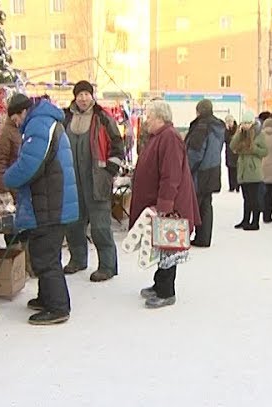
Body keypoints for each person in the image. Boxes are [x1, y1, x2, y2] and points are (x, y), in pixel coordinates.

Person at [3, 97, 79, 325]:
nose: (16, 123)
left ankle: (57, 307)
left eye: (15, 118)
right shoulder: (44, 122)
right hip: (50, 202)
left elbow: (30, 164)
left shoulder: (39, 124)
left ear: (23, 111)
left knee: (46, 257)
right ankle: (46, 297)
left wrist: (7, 178)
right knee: (42, 253)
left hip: (50, 204)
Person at [129, 100, 201, 309]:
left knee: (169, 246)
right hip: (161, 202)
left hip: (170, 205)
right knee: (161, 245)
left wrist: (165, 204)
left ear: (160, 117)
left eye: (149, 117)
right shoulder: (159, 136)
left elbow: (171, 175)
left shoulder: (168, 138)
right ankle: (159, 283)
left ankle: (166, 291)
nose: (146, 120)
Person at [61, 80, 125, 282]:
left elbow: (117, 144)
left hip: (97, 180)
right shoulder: (66, 118)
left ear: (92, 96)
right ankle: (78, 259)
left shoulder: (102, 117)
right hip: (72, 181)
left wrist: (110, 170)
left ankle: (107, 265)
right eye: (79, 94)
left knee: (100, 226)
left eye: (86, 94)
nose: (83, 98)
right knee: (74, 223)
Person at [0, 94, 35, 276]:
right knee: (14, 233)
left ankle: (27, 267)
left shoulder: (27, 129)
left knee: (27, 231)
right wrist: (3, 190)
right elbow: (0, 163)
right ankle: (15, 271)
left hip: (26, 190)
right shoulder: (6, 133)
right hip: (13, 190)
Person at [184, 99, 225, 248]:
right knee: (206, 205)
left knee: (193, 204)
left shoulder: (202, 126)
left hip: (199, 172)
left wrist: (187, 168)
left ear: (199, 111)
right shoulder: (218, 126)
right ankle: (204, 237)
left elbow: (195, 152)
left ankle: (184, 236)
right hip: (213, 170)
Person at [230, 110, 268, 231]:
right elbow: (232, 146)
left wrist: (253, 149)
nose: (245, 125)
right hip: (243, 169)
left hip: (254, 170)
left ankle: (255, 222)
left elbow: (264, 151)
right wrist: (238, 133)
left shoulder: (259, 134)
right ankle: (246, 220)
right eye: (243, 123)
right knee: (246, 198)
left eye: (247, 123)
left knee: (254, 198)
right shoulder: (241, 134)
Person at [224, 115, 239, 192]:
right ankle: (231, 186)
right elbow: (226, 139)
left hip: (237, 152)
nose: (229, 123)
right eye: (227, 121)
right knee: (230, 169)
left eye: (230, 121)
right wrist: (226, 130)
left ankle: (237, 186)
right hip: (229, 152)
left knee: (236, 169)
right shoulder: (225, 130)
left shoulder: (238, 129)